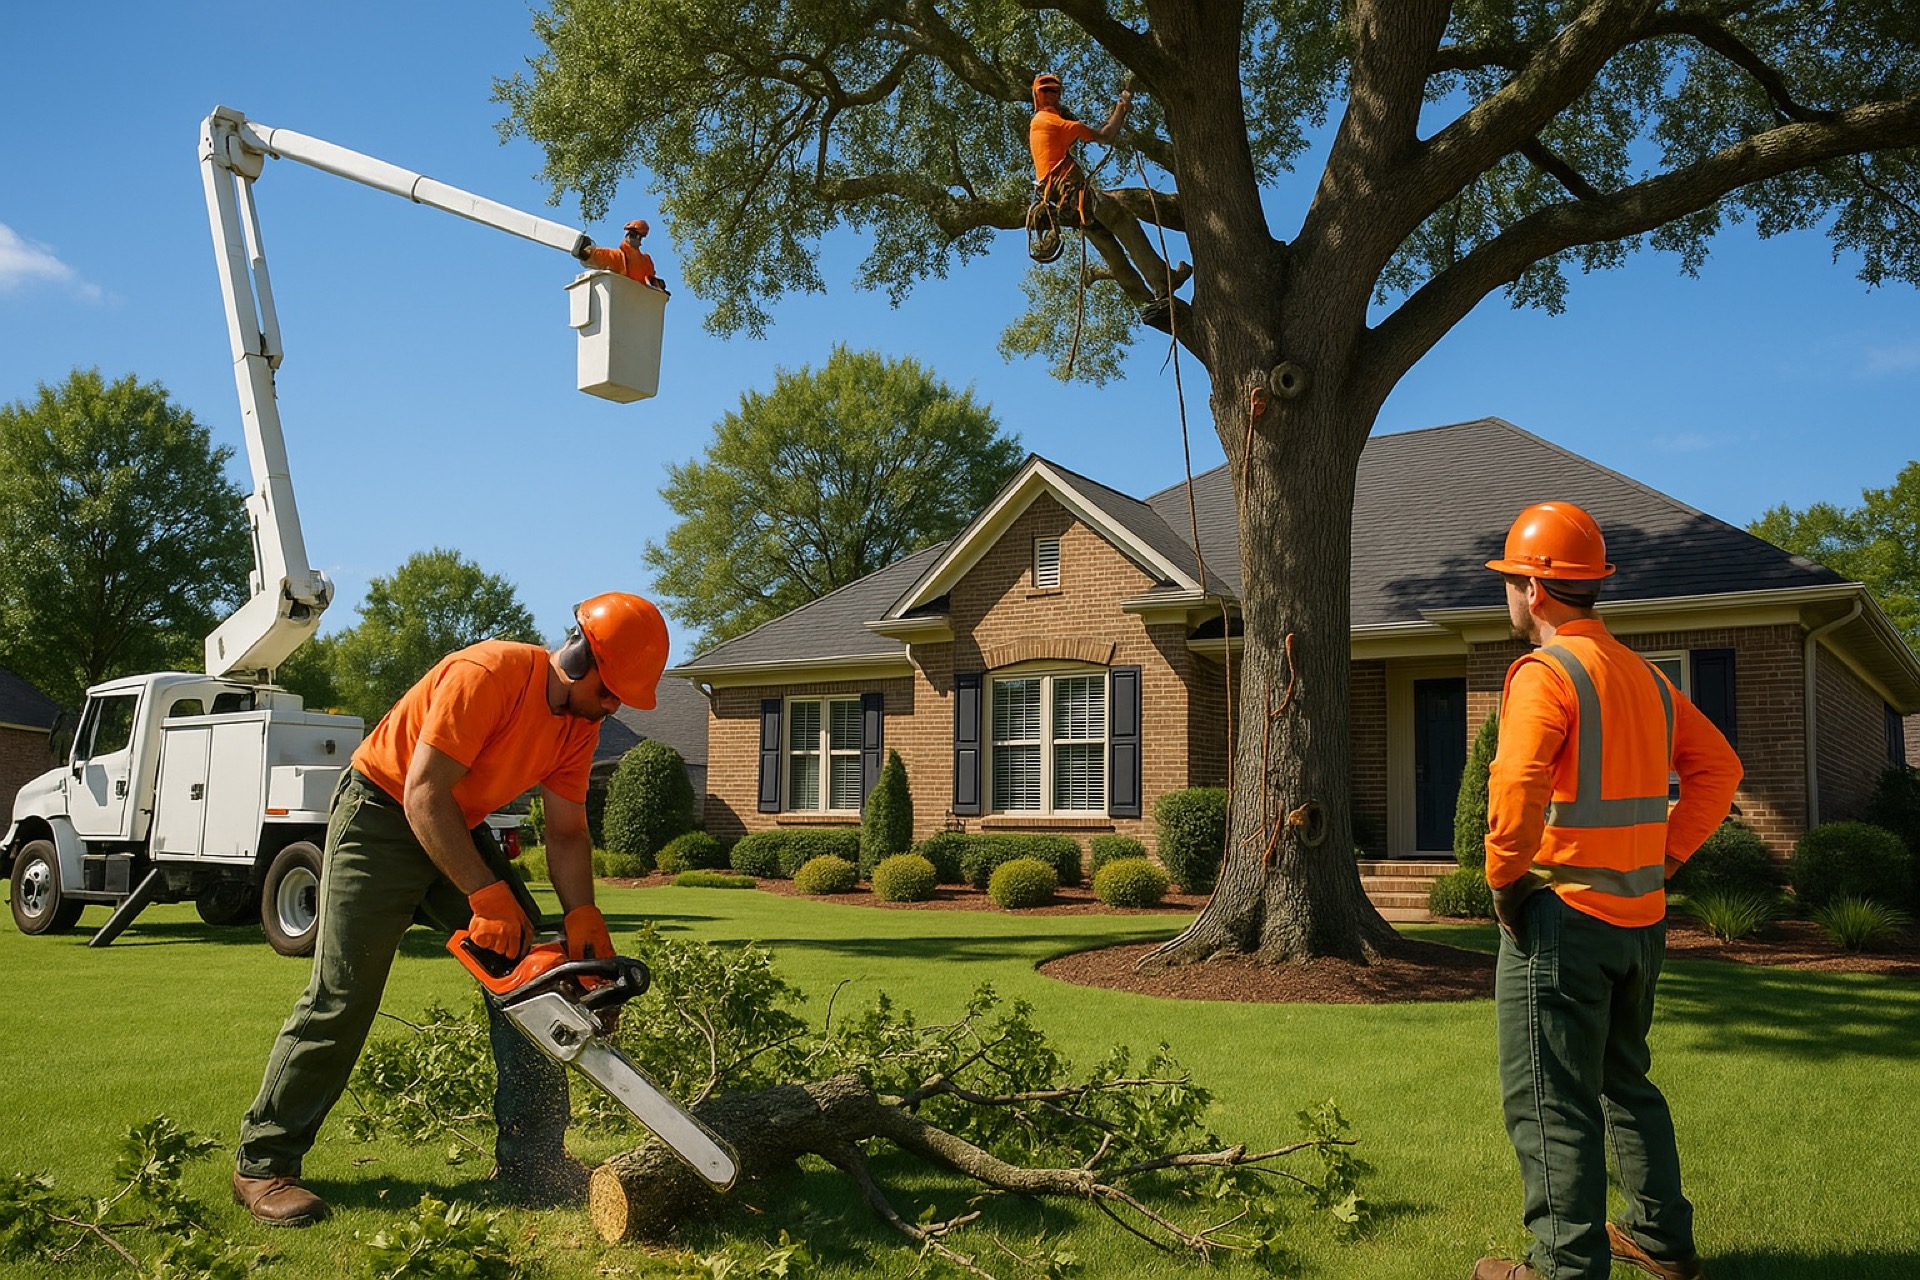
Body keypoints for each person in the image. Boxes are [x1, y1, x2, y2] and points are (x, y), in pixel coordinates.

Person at [231, 593, 671, 1227]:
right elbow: (423, 792)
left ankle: (532, 1162)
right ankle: (263, 1162)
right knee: (344, 993)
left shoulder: (582, 724)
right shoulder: (488, 675)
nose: (615, 705)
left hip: (454, 825)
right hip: (382, 815)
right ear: (579, 658)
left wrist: (583, 915)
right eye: (611, 691)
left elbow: (569, 831)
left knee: (535, 979)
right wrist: (484, 893)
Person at [1472, 503, 1741, 1280]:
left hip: (1560, 921)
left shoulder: (1546, 673)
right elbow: (1719, 769)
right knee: (1627, 1081)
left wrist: (1503, 880)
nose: (1510, 599)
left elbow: (1517, 779)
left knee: (1551, 1101)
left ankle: (1563, 1267)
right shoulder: (1646, 678)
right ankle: (1660, 1242)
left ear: (1535, 588)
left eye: (1510, 585)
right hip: (1640, 922)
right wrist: (1662, 858)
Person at [1027, 72, 1190, 317]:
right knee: (1122, 219)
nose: (1053, 96)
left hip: (1063, 203)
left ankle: (1145, 303)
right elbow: (1106, 135)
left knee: (1109, 248)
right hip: (1074, 192)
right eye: (1051, 92)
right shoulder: (1059, 124)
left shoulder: (1038, 123)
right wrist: (1122, 105)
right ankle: (1163, 282)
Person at [574, 218, 670, 294]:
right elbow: (594, 255)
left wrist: (659, 285)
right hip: (619, 300)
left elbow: (651, 279)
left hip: (636, 301)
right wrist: (583, 251)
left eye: (633, 234)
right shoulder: (616, 256)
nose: (630, 237)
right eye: (630, 234)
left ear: (640, 237)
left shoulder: (645, 260)